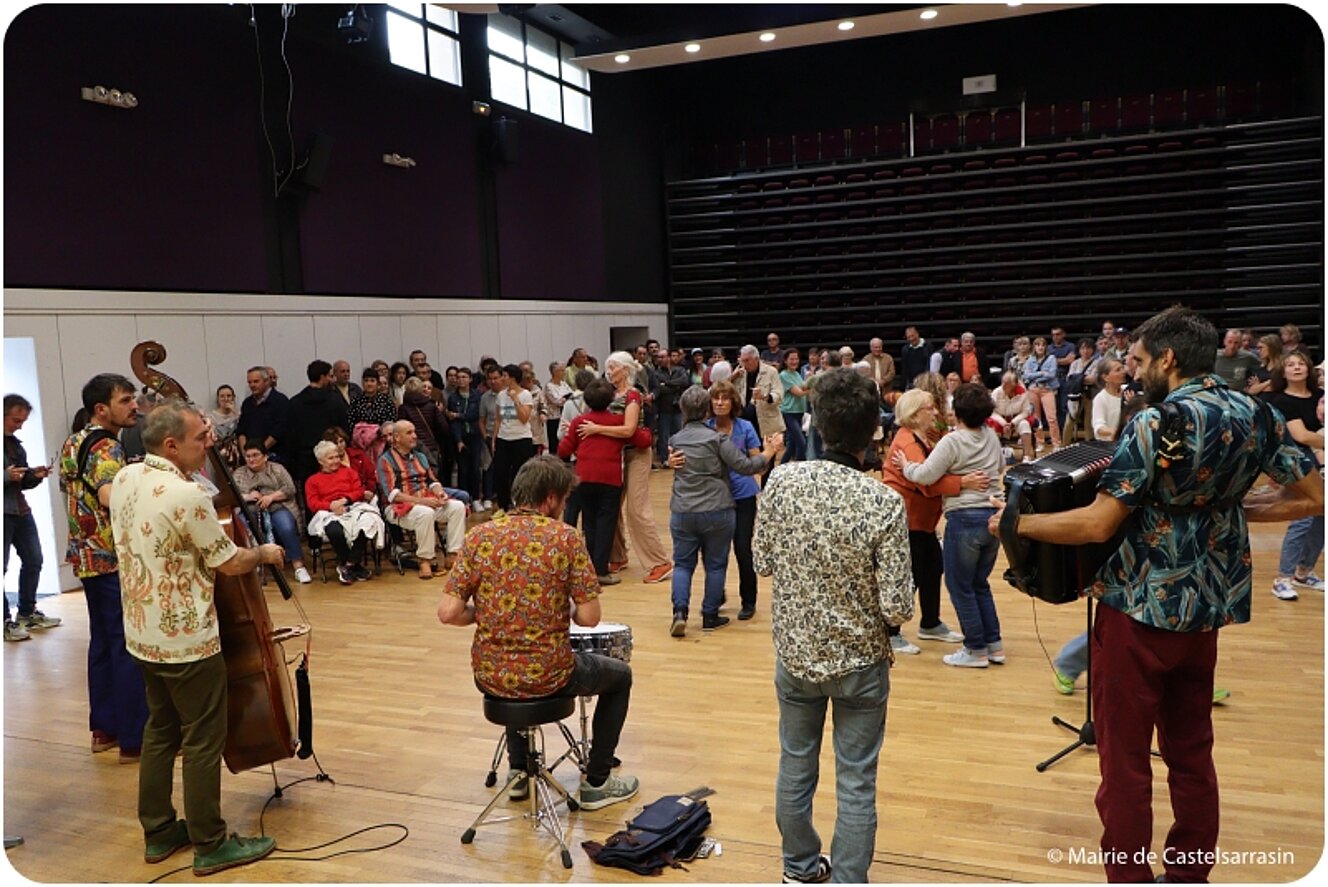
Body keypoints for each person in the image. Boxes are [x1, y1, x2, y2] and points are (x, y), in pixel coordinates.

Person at [993, 306, 1322, 883]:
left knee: (1123, 762)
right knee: (1192, 752)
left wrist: (1015, 526)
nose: (1133, 369)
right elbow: (1314, 496)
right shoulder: (1259, 412)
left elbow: (1098, 524)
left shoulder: (1158, 422)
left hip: (1138, 608)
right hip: (1207, 608)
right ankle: (1189, 874)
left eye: (1140, 360)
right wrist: (1231, 508)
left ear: (1168, 359)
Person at [753, 368, 913, 885]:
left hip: (796, 656)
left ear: (817, 423)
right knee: (856, 781)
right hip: (861, 664)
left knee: (795, 765)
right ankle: (847, 879)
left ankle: (799, 869)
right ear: (873, 432)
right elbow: (896, 609)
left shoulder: (782, 480)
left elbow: (760, 561)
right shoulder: (885, 501)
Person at [109, 400, 281, 876]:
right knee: (204, 738)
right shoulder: (186, 495)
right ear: (171, 445)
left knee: (161, 730)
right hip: (187, 639)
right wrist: (263, 552)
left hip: (142, 632)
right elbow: (228, 561)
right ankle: (210, 841)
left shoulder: (125, 477)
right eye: (199, 439)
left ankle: (160, 830)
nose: (209, 445)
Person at [437, 455, 639, 810]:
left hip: (489, 675)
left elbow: (448, 613)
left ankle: (519, 773)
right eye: (564, 500)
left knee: (512, 669)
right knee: (620, 676)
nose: (564, 507)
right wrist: (561, 604)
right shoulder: (566, 538)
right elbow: (590, 618)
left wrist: (484, 612)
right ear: (550, 498)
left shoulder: (479, 536)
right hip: (549, 675)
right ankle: (597, 782)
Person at [59, 374, 148, 762]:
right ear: (102, 409)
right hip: (111, 557)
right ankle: (135, 739)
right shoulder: (108, 446)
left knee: (102, 642)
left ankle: (105, 729)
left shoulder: (72, 441)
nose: (135, 407)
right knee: (126, 645)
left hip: (85, 555)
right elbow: (112, 497)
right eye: (126, 400)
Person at [895, 382, 1005, 668]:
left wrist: (905, 465)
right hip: (993, 517)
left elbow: (924, 475)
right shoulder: (992, 436)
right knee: (979, 584)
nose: (936, 413)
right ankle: (994, 645)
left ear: (956, 412)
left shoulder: (952, 441)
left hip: (965, 518)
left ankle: (975, 649)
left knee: (960, 586)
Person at [666, 386, 781, 636]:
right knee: (716, 565)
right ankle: (709, 615)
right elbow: (745, 465)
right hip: (717, 507)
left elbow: (677, 464)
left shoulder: (675, 439)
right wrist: (770, 452)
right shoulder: (716, 439)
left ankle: (679, 613)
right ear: (707, 408)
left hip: (683, 509)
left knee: (683, 565)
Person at [882, 389, 980, 654]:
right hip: (907, 519)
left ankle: (930, 623)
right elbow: (926, 483)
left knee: (933, 567)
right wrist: (963, 482)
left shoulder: (920, 436)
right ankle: (890, 632)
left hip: (921, 520)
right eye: (929, 408)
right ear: (915, 415)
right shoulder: (908, 442)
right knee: (909, 575)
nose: (935, 412)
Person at [578, 352, 672, 584]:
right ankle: (617, 555)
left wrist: (596, 429)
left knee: (636, 509)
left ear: (626, 370)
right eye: (608, 367)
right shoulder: (608, 394)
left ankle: (659, 562)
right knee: (610, 506)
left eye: (613, 368)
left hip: (637, 454)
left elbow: (629, 430)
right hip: (614, 455)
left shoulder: (633, 394)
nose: (609, 371)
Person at [558, 378, 651, 584]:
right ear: (610, 400)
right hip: (610, 480)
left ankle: (588, 569)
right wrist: (645, 430)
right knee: (606, 523)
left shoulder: (579, 422)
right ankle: (600, 571)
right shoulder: (618, 422)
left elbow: (563, 451)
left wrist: (575, 443)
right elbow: (643, 441)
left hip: (584, 478)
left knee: (589, 523)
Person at [377, 420, 467, 580]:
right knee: (425, 512)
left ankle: (453, 554)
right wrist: (423, 502)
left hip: (425, 501)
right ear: (397, 437)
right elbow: (392, 494)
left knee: (457, 506)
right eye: (409, 433)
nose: (414, 436)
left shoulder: (419, 456)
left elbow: (432, 481)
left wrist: (440, 493)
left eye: (414, 432)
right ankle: (425, 560)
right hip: (398, 508)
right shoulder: (385, 460)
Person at [1269, 350, 1325, 600]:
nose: (1297, 367)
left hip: (1320, 458)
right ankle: (1282, 577)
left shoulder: (1321, 396)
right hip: (1296, 462)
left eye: (1301, 363)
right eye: (1290, 364)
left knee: (1322, 516)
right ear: (1283, 372)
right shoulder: (1282, 401)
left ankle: (1304, 571)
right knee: (1302, 516)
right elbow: (1301, 436)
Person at [4, 394, 60, 641]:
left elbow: (22, 482)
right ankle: (6, 621)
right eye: (16, 420)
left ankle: (26, 612)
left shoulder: (16, 445)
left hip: (20, 510)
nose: (19, 425)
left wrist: (34, 476)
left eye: (22, 421)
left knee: (34, 560)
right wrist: (6, 477)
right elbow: (8, 478)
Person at [305, 440, 383, 584]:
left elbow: (359, 492)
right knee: (334, 530)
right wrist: (331, 506)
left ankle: (347, 565)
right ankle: (355, 565)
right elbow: (313, 503)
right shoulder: (312, 481)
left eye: (337, 457)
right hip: (328, 512)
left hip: (352, 506)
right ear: (320, 461)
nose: (336, 461)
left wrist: (345, 500)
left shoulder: (349, 472)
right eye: (331, 458)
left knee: (369, 523)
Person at [232, 441, 311, 584]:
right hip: (250, 509)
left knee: (286, 526)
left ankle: (298, 566)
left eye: (255, 455)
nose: (251, 459)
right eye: (248, 456)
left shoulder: (278, 469)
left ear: (265, 456)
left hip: (277, 506)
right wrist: (248, 496)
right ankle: (252, 566)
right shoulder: (239, 473)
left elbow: (290, 489)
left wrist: (271, 497)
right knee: (242, 526)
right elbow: (232, 495)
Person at [490, 364, 536, 510]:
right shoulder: (500, 395)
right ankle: (503, 507)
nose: (502, 379)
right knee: (501, 474)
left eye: (504, 376)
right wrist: (494, 439)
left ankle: (520, 505)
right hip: (504, 439)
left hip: (521, 439)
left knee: (519, 474)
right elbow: (498, 419)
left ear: (513, 378)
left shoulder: (526, 395)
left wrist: (516, 399)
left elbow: (524, 418)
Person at [235, 366, 289, 457]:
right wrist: (246, 453)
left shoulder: (280, 401)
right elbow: (241, 431)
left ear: (267, 381)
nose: (252, 385)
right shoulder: (247, 403)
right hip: (250, 458)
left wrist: (260, 451)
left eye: (256, 381)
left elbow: (279, 431)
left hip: (274, 456)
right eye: (249, 382)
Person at [1022, 336, 1062, 450]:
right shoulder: (1030, 359)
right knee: (1036, 418)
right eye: (1038, 345)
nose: (1040, 347)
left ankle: (1056, 443)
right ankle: (1040, 442)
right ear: (1034, 347)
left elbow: (1051, 374)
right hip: (1033, 390)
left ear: (1046, 347)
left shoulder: (1051, 358)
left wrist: (1035, 375)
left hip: (1047, 389)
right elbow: (1026, 375)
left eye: (1043, 345)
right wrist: (1041, 374)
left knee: (1052, 417)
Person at [777, 349, 809, 463]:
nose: (794, 361)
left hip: (799, 412)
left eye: (796, 359)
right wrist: (814, 388)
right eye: (791, 359)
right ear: (785, 361)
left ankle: (781, 467)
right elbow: (799, 393)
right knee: (802, 443)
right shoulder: (783, 375)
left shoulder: (796, 374)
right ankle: (800, 468)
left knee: (791, 445)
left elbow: (804, 388)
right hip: (788, 412)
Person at [205, 384, 242, 468]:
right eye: (222, 396)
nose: (226, 399)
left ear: (233, 397)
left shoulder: (238, 414)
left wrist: (235, 412)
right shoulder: (211, 417)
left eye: (229, 396)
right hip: (219, 454)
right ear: (218, 399)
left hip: (237, 455)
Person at [1091, 359, 1128, 441]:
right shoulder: (1100, 399)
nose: (1123, 372)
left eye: (1122, 368)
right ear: (1105, 377)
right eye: (1118, 370)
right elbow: (1099, 426)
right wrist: (1116, 432)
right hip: (1109, 445)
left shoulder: (1128, 391)